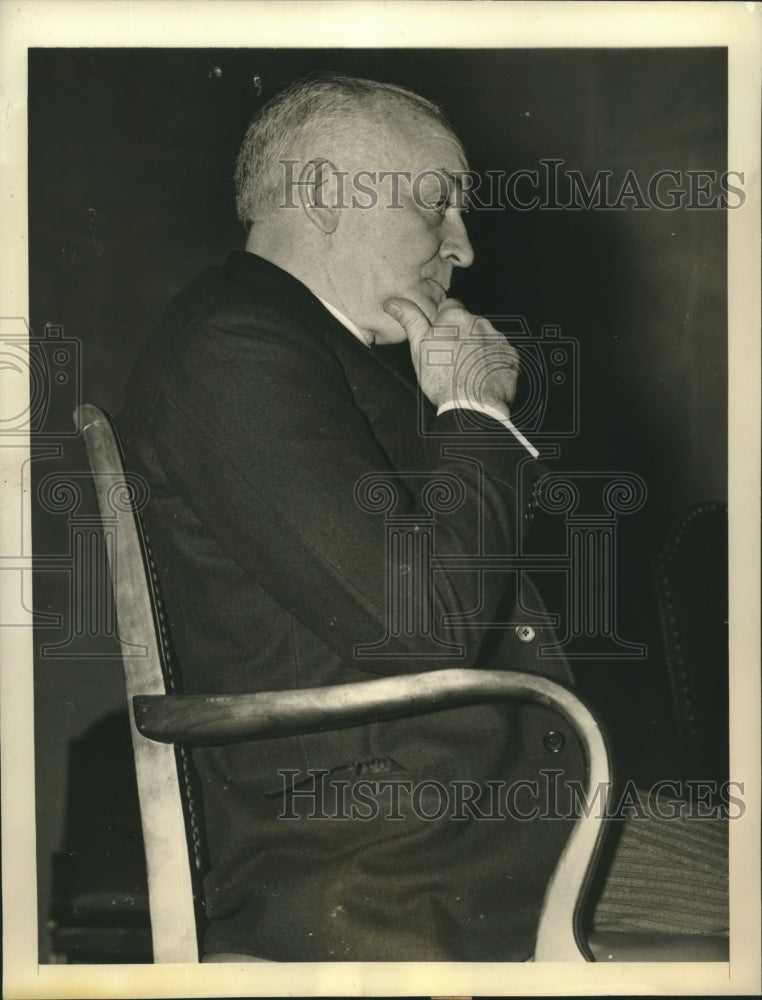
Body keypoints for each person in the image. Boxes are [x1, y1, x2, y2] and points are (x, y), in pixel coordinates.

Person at [119, 72, 727, 962]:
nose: (464, 247)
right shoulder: (235, 348)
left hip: (477, 823)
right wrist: (475, 413)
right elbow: (422, 626)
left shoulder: (302, 351)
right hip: (397, 857)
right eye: (438, 204)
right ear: (325, 194)